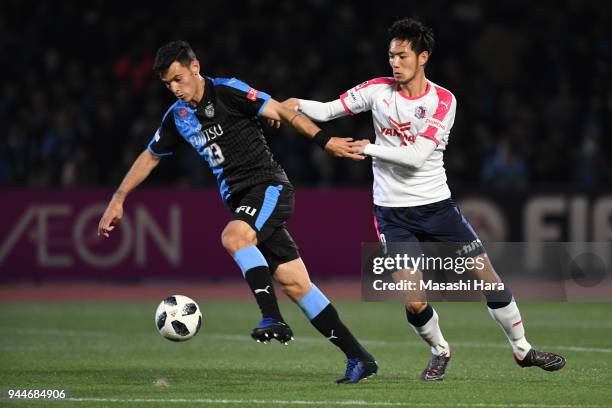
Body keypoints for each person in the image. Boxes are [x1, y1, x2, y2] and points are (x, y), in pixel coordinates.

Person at [283, 18, 566, 381]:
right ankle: (439, 350)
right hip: (392, 213)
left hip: (438, 208)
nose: (394, 63)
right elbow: (326, 110)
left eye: (402, 56)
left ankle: (523, 349)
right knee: (414, 299)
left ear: (423, 57)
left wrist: (366, 147)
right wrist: (288, 104)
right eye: (391, 56)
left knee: (489, 281)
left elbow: (417, 156)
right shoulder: (377, 90)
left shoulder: (443, 100)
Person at [97, 41, 377, 384]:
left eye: (178, 79)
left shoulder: (228, 91)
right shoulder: (178, 117)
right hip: (244, 200)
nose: (175, 89)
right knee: (296, 283)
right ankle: (359, 358)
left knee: (233, 236)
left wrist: (326, 141)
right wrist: (119, 197)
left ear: (195, 67)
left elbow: (284, 112)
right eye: (168, 84)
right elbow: (151, 155)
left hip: (269, 187)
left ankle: (271, 317)